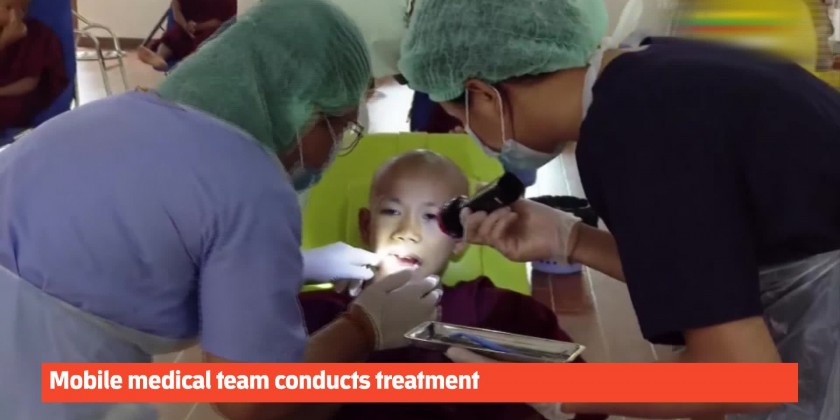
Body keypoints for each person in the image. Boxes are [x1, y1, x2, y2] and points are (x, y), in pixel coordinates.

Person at [397, 0, 840, 419]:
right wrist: (571, 239)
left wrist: (556, 389)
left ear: (483, 95)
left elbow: (744, 378)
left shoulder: (636, 134)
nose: (468, 133)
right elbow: (715, 274)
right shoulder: (651, 74)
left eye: (462, 119)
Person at [0, 1, 441, 419]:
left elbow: (131, 240)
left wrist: (293, 265)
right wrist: (364, 327)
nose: (333, 150)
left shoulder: (119, 112)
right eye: (339, 129)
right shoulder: (253, 184)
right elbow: (247, 398)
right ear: (304, 111)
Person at [296, 150, 607, 420]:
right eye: (392, 211)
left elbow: (593, 399)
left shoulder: (493, 312)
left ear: (459, 239)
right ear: (366, 225)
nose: (407, 231)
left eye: (431, 217)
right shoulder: (316, 315)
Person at [0, 0, 68, 132]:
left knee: (11, 107)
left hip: (16, 96)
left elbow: (29, 83)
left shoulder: (38, 35)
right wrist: (3, 41)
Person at [137, 0, 237, 71]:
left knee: (208, 39)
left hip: (210, 29)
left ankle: (187, 65)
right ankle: (159, 59)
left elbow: (220, 22)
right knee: (173, 35)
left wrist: (197, 27)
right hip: (187, 27)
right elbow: (176, 9)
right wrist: (185, 26)